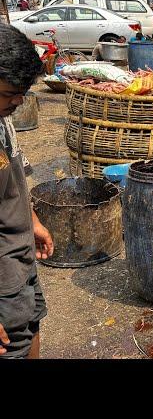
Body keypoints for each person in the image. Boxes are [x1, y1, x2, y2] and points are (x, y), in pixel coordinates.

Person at [0, 23, 54, 359]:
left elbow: (12, 177)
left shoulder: (1, 120)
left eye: (23, 91)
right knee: (13, 345)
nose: (19, 101)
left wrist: (30, 219)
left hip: (21, 261)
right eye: (10, 92)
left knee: (32, 324)